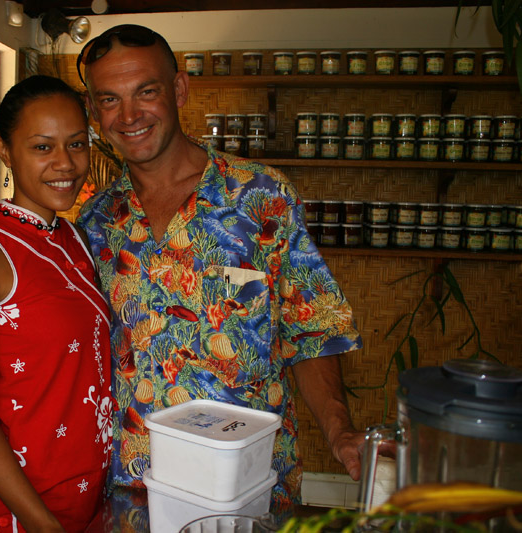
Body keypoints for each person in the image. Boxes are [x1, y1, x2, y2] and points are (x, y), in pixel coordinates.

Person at [76, 25, 363, 510]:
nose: (129, 116)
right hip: (135, 487)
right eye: (109, 99)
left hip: (249, 483)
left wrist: (339, 432)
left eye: (146, 92)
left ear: (179, 90)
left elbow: (313, 331)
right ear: (93, 111)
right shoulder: (94, 223)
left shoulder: (260, 197)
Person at [0, 75, 113, 532]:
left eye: (77, 145)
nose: (66, 164)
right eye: (43, 147)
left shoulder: (74, 239)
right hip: (26, 513)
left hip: (90, 501)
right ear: (4, 151)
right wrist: (42, 524)